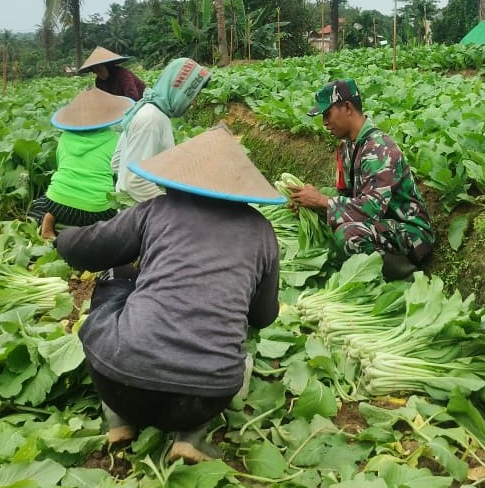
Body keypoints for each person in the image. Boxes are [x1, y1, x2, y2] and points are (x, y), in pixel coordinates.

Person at [54, 125, 284, 462]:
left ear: (182, 176)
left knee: (115, 276)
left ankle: (118, 421)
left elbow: (89, 249)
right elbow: (263, 317)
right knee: (229, 346)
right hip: (205, 397)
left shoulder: (157, 210)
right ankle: (190, 438)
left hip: (121, 385)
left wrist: (63, 238)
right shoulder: (262, 231)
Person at [287, 79, 435, 281]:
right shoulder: (349, 146)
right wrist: (309, 200)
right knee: (329, 212)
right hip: (382, 225)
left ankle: (407, 278)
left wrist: (322, 201)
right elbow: (346, 195)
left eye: (327, 114)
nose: (324, 122)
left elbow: (371, 208)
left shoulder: (380, 149)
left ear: (347, 107)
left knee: (348, 235)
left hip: (410, 232)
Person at [27, 88, 133, 239]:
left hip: (57, 204)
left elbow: (61, 165)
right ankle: (90, 232)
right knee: (117, 216)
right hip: (98, 210)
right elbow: (118, 171)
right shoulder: (115, 139)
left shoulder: (64, 138)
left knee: (38, 205)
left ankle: (50, 222)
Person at [112, 57, 210, 203]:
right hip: (143, 217)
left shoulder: (143, 108)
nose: (194, 102)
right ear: (179, 90)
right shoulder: (152, 119)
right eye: (191, 95)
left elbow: (116, 163)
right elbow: (136, 183)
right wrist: (171, 209)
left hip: (131, 214)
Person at [78, 46, 146, 101]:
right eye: (95, 72)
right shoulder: (99, 82)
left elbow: (133, 97)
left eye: (100, 70)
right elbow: (104, 100)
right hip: (117, 106)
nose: (98, 74)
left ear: (108, 66)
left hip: (139, 104)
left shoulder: (123, 75)